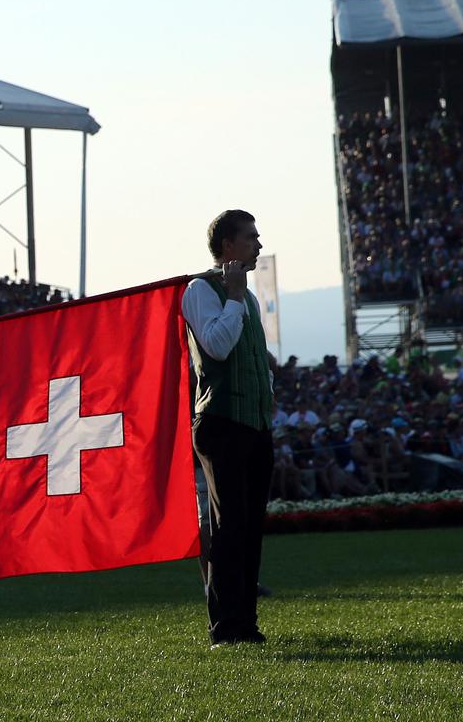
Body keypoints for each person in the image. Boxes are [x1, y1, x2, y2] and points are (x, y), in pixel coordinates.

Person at [181, 209, 272, 648]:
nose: (259, 244)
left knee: (250, 526)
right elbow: (216, 346)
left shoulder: (248, 297)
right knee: (228, 526)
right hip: (220, 422)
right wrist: (234, 296)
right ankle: (223, 628)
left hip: (254, 423)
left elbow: (256, 359)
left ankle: (246, 623)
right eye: (251, 237)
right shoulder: (201, 289)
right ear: (228, 246)